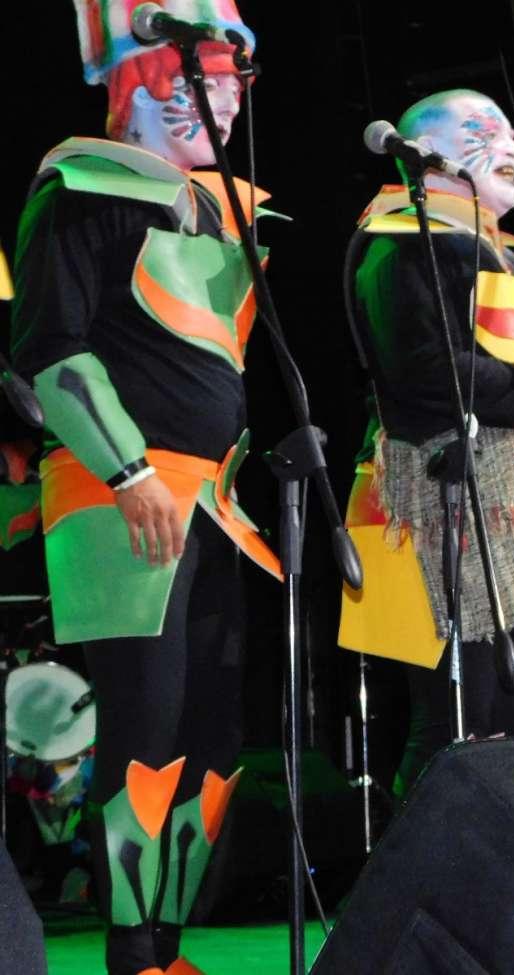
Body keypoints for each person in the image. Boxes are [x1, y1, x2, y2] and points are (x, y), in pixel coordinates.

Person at [10, 3, 281, 972]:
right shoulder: (81, 188)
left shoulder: (224, 206)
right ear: (139, 83)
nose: (220, 102)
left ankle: (168, 944)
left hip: (214, 501)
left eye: (229, 84)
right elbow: (50, 349)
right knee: (145, 727)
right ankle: (133, 951)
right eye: (197, 79)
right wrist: (127, 471)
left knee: (211, 733)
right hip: (118, 495)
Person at [338, 89, 514, 789]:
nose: (513, 144)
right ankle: (419, 859)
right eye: (484, 129)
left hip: (503, 505)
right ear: (428, 154)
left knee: (508, 712)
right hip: (441, 500)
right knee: (457, 721)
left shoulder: (493, 250)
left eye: (509, 130)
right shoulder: (404, 243)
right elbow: (433, 374)